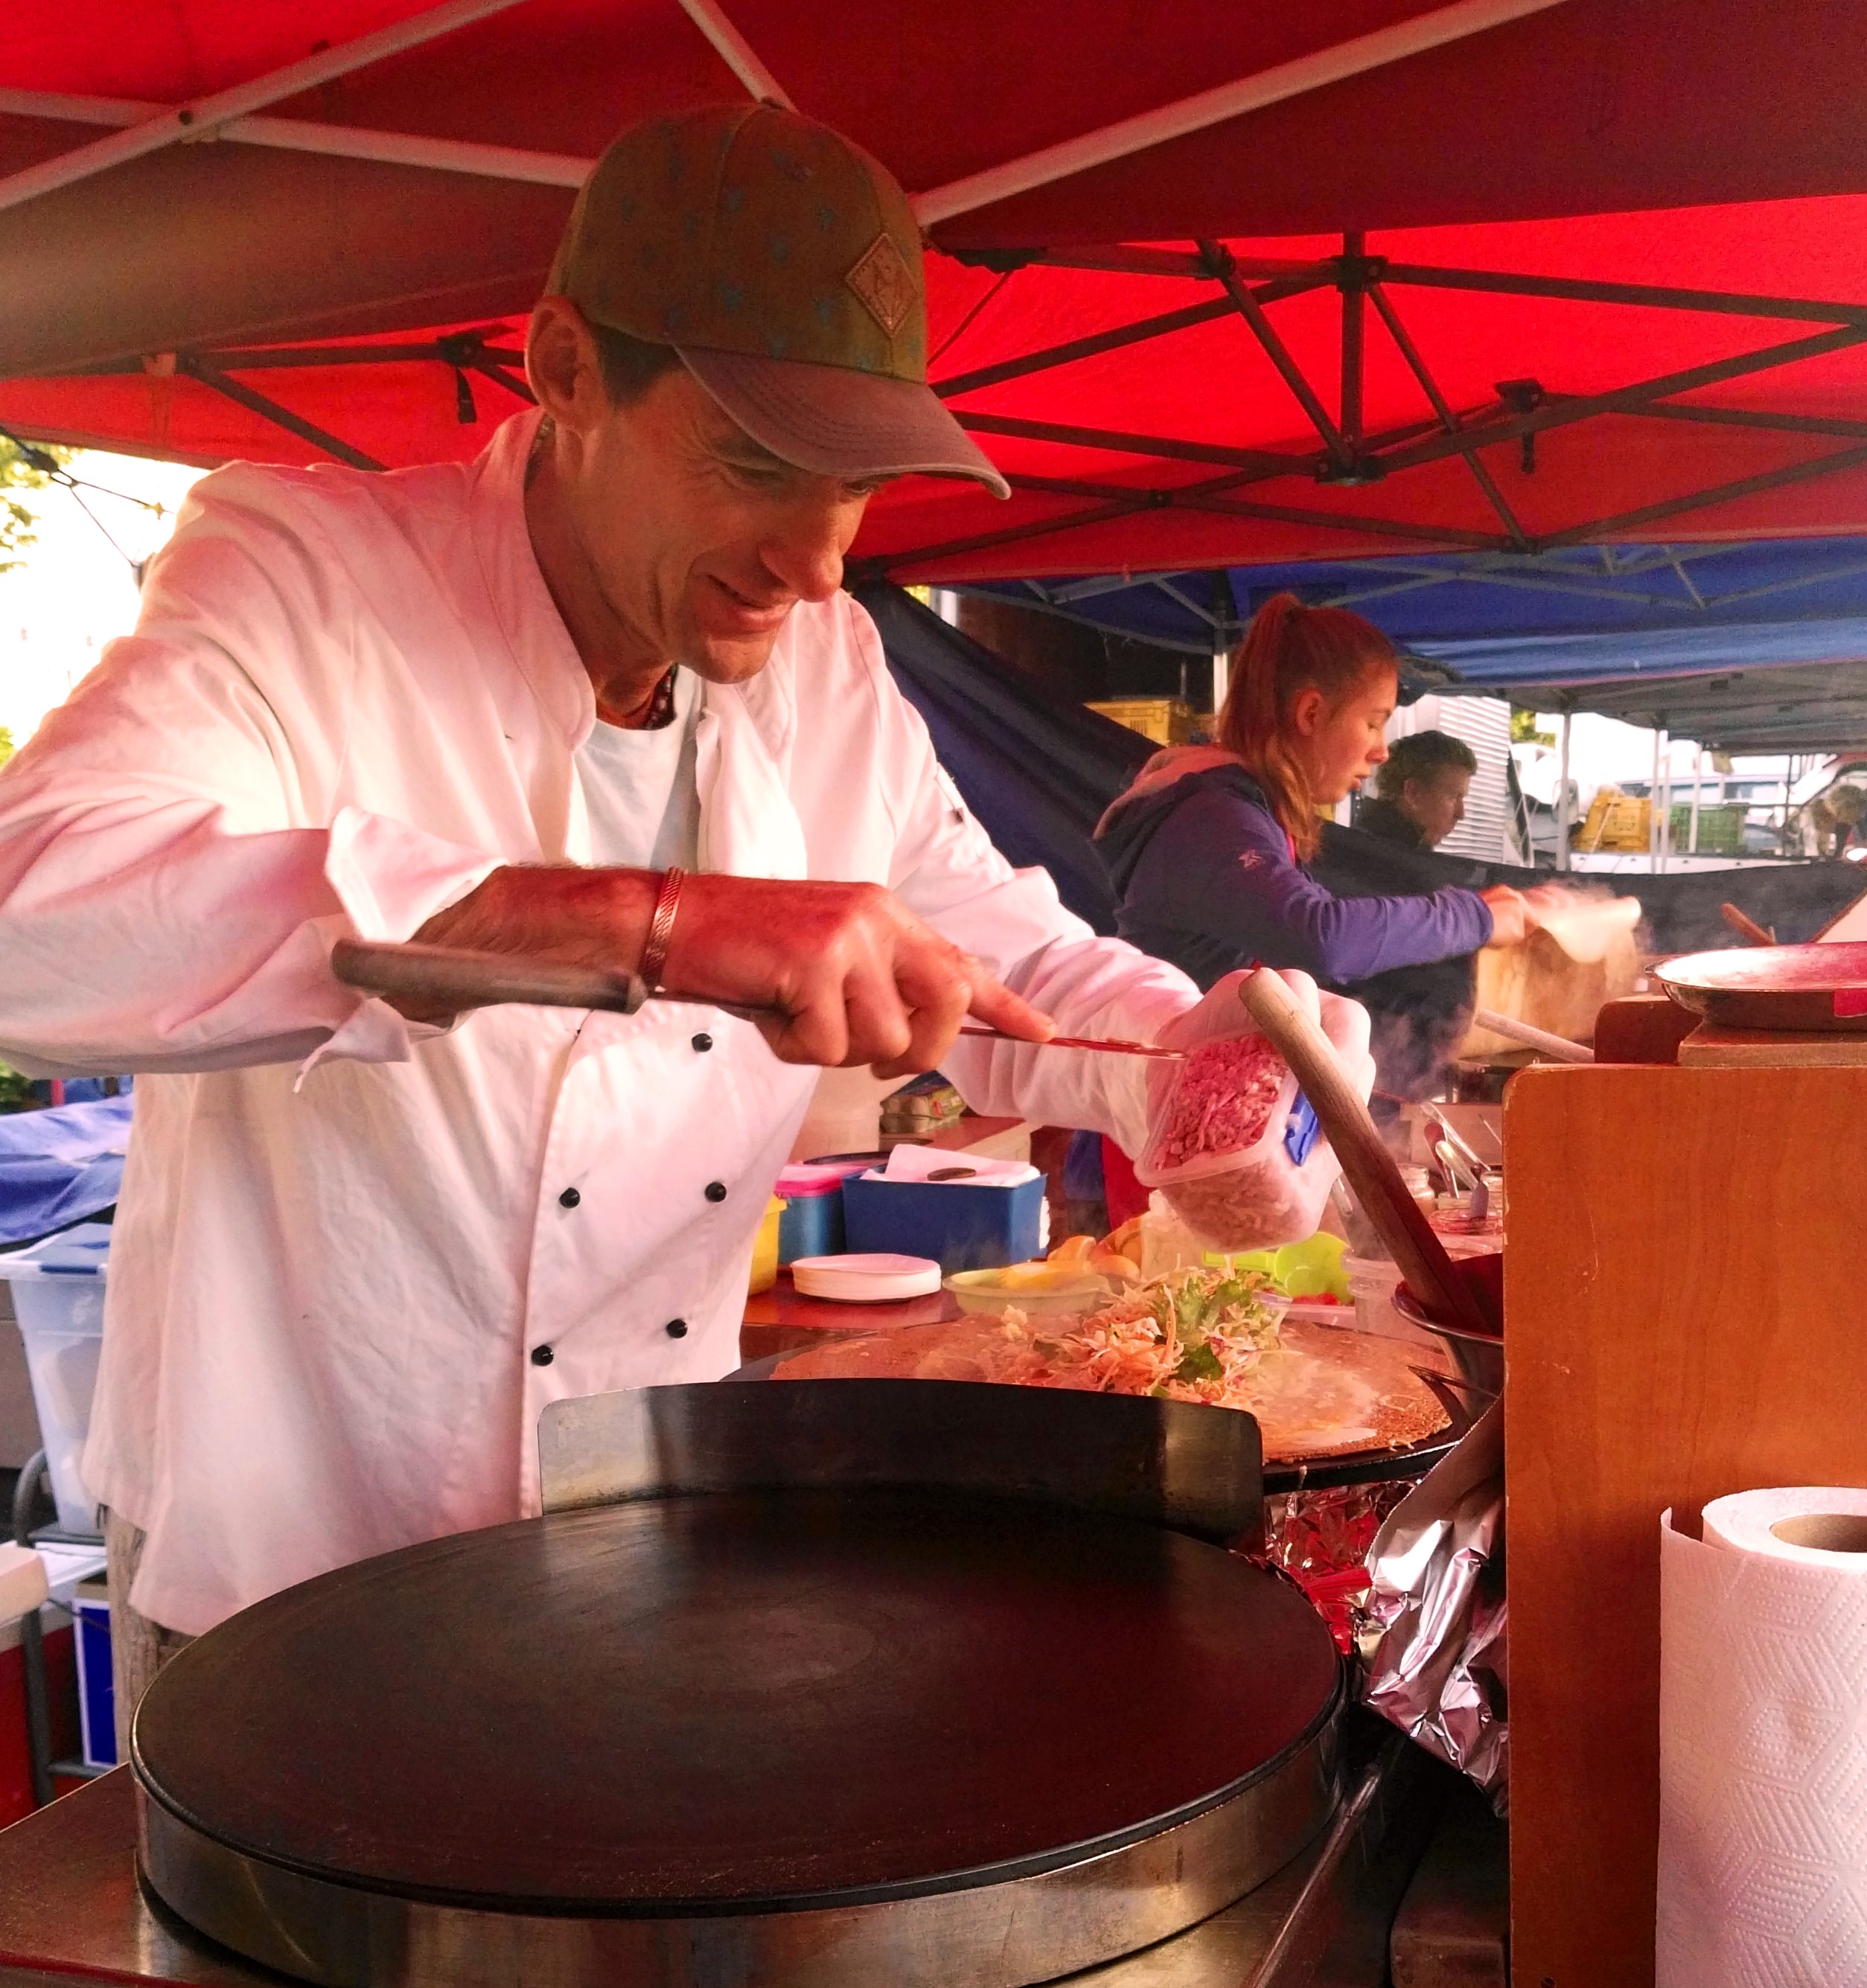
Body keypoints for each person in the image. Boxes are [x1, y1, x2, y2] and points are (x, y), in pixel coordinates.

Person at [0, 105, 1236, 1725]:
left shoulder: (827, 672)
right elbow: (35, 920)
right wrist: (649, 920)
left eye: (857, 488)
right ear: (566, 368)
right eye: (756, 466)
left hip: (636, 1558)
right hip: (291, 1585)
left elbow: (997, 955)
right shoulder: (304, 574)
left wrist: (1195, 1053)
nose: (817, 563)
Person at [1096, 594, 1533, 991]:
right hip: (1166, 1052)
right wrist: (1473, 917)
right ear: (1311, 713)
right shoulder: (1213, 818)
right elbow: (1321, 937)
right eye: (1373, 723)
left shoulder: (1251, 808)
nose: (1382, 751)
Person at [1356, 730, 1479, 851]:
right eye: (1453, 797)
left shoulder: (1366, 845)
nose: (1461, 814)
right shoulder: (1379, 858)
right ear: (1413, 792)